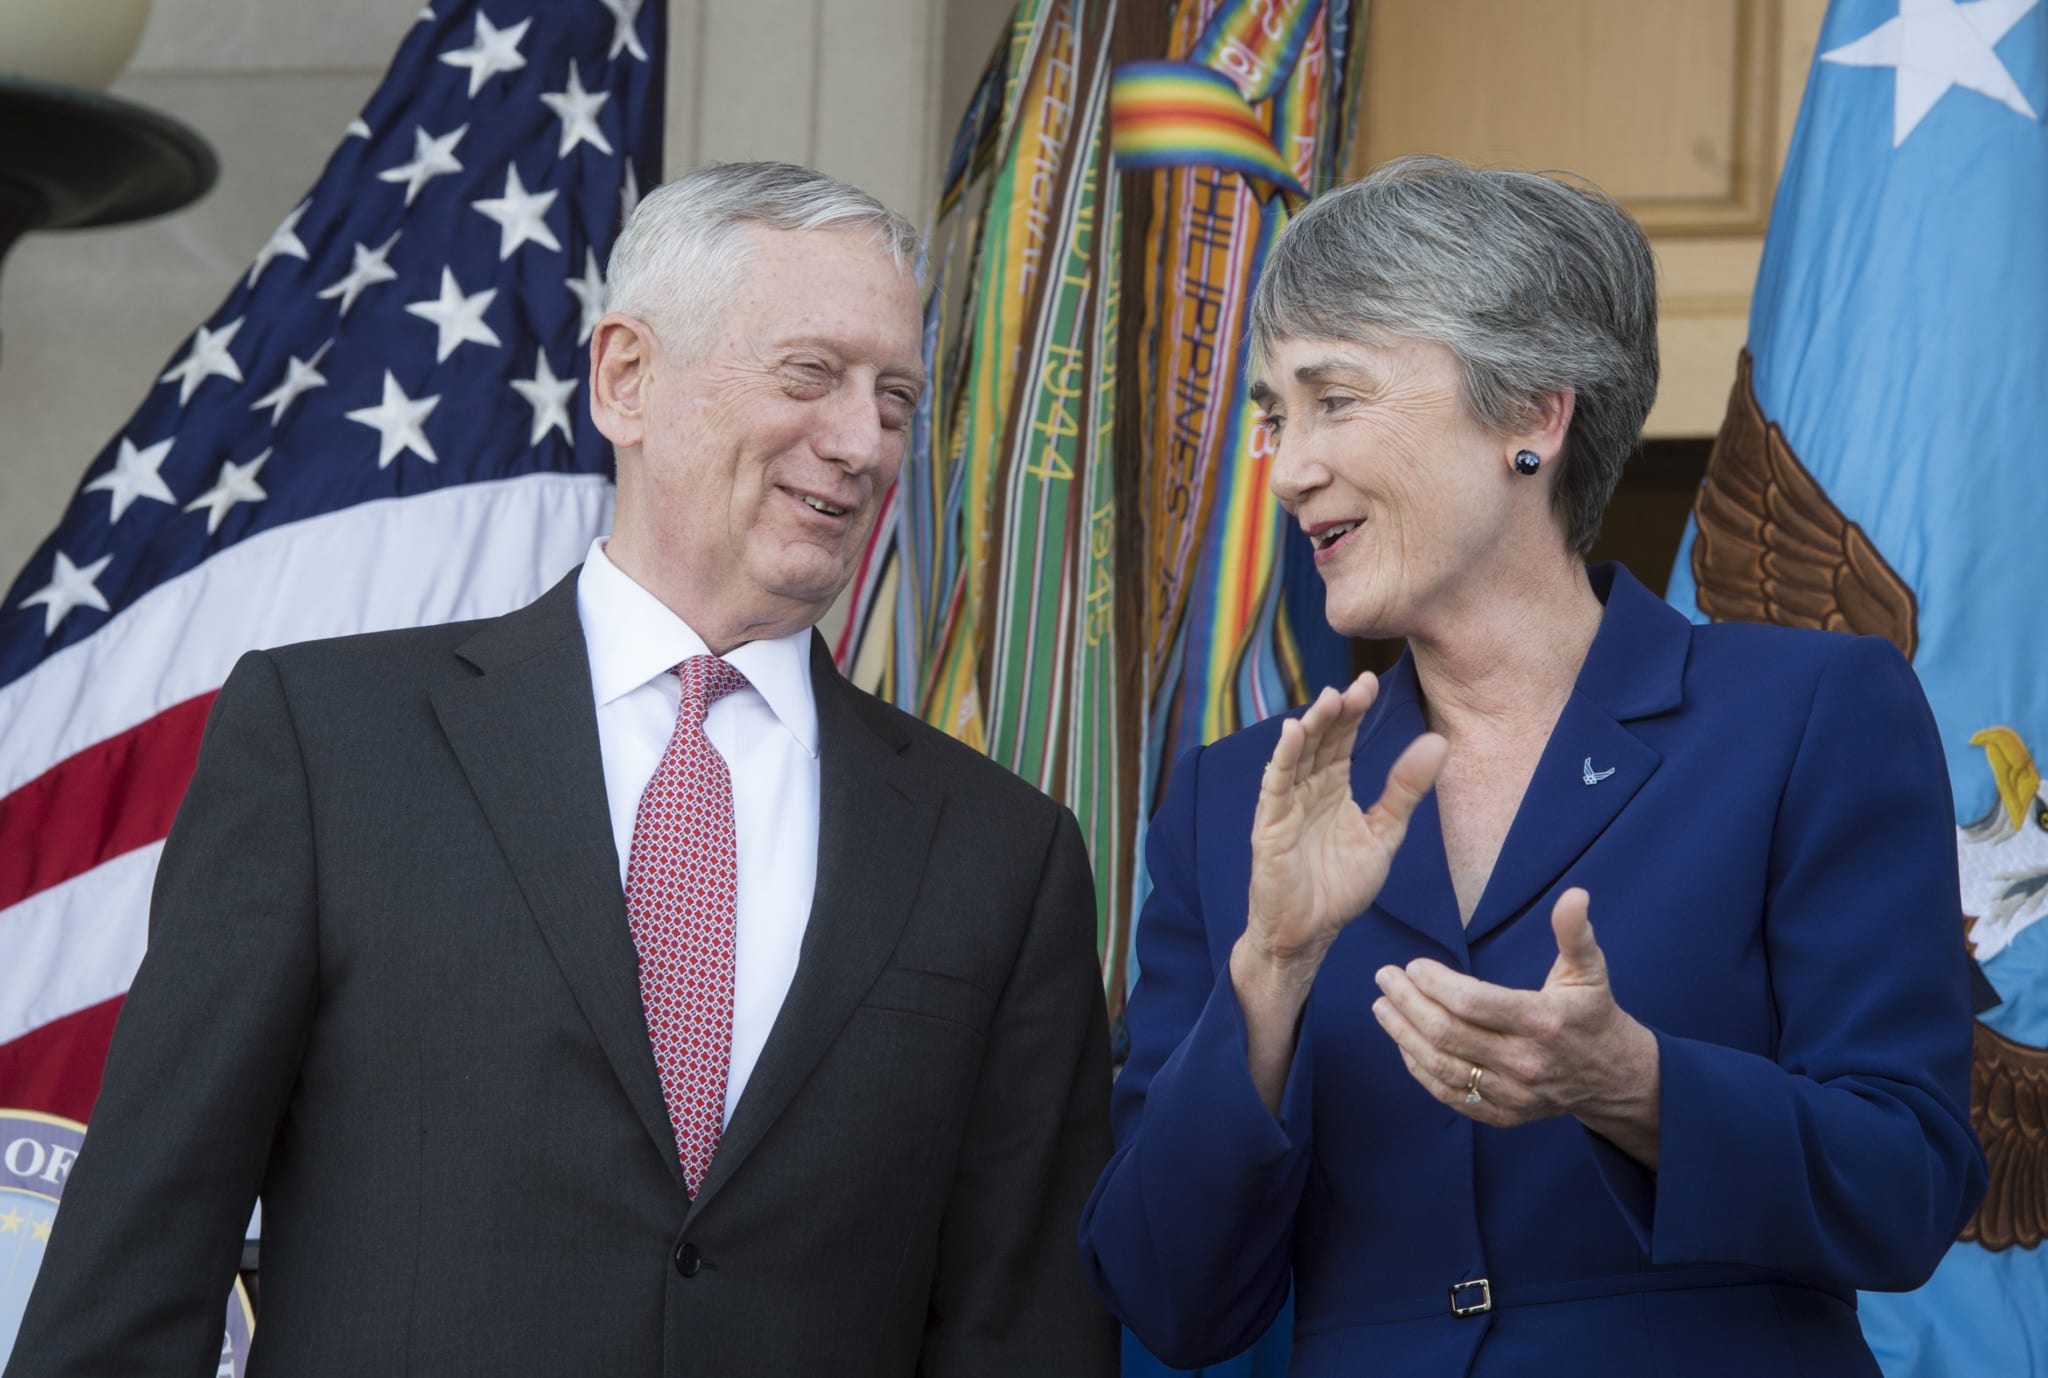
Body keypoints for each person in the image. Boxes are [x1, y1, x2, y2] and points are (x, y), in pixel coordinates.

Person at [7, 162, 1117, 1377]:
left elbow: (1025, 1331)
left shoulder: (1000, 851)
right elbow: (137, 1266)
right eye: (809, 375)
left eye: (893, 398)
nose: (858, 442)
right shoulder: (330, 744)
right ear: (626, 379)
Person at [1078, 155, 1986, 1377]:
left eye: (1333, 399)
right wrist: (1271, 977)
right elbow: (1163, 1298)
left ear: (1530, 417)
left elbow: (1908, 1182)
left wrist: (1636, 1083)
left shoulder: (1807, 715)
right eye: (1273, 415)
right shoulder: (1235, 799)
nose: (1287, 466)